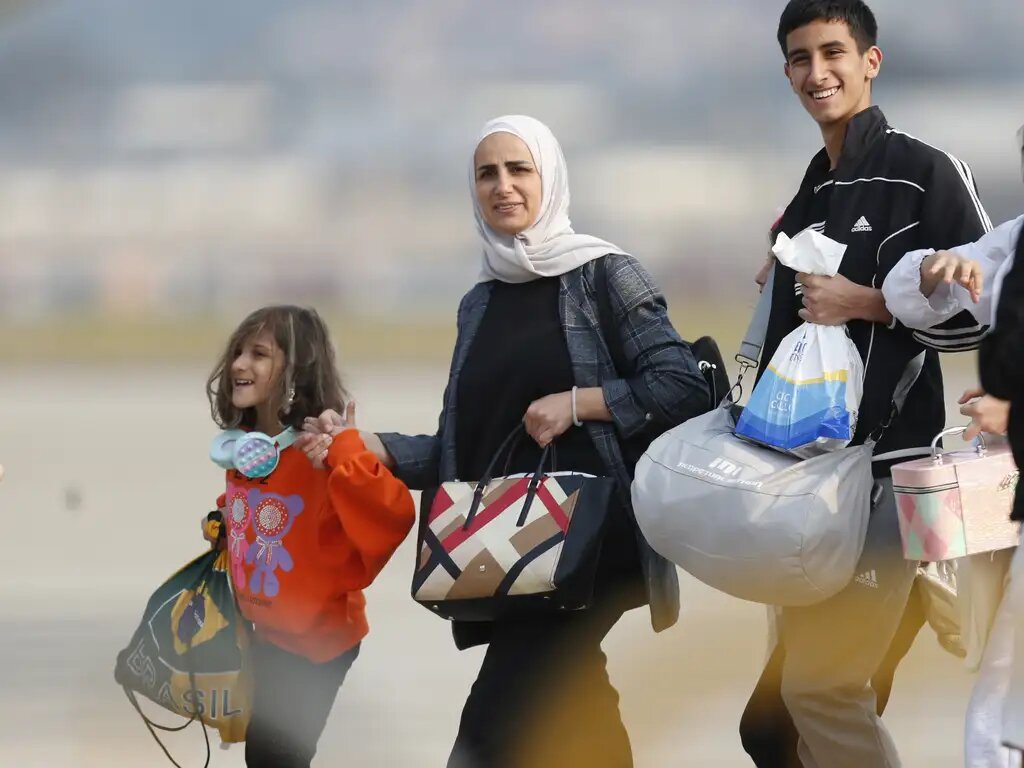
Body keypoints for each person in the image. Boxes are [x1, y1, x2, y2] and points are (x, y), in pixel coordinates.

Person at [353, 114, 709, 768]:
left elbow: (683, 386)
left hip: (595, 544)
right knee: (580, 709)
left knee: (490, 728)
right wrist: (371, 447)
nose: (503, 185)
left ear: (550, 177)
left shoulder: (604, 273)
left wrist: (578, 404)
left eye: (520, 169)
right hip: (514, 549)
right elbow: (469, 451)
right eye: (487, 173)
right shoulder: (480, 302)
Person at [739, 2, 992, 766]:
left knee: (820, 692)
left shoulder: (924, 173)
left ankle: (923, 581)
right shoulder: (813, 189)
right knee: (774, 728)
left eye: (833, 53)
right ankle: (920, 592)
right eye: (799, 58)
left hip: (888, 484)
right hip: (806, 494)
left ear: (870, 61)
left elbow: (987, 304)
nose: (817, 73)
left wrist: (869, 300)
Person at [205, 305, 416, 768]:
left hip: (316, 642)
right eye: (238, 351)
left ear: (296, 371)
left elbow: (393, 514)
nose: (240, 363)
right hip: (267, 632)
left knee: (272, 759)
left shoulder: (319, 449)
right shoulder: (249, 446)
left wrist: (346, 452)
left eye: (259, 354)